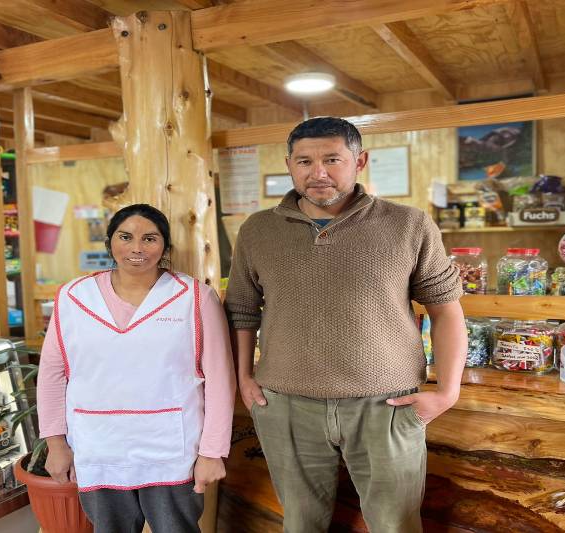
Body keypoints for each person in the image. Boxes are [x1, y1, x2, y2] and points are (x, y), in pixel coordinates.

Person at [225, 117, 467, 533]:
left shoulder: (409, 224)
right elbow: (243, 311)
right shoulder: (258, 230)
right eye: (304, 161)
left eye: (332, 159)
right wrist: (244, 378)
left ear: (361, 161)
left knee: (396, 525)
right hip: (286, 405)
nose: (317, 172)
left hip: (386, 405)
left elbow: (446, 310)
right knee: (300, 523)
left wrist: (447, 390)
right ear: (289, 165)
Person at [37, 203, 236, 533]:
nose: (137, 248)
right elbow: (51, 375)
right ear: (110, 242)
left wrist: (212, 452)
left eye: (150, 238)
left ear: (165, 247)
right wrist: (56, 445)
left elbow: (219, 380)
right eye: (125, 237)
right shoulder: (73, 297)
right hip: (98, 447)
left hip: (171, 450)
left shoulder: (194, 297)